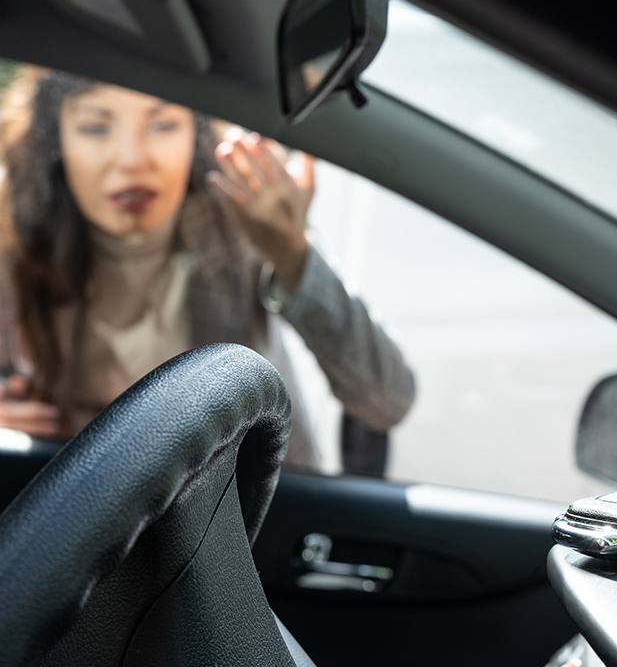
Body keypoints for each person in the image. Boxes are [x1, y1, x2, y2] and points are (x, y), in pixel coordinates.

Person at [0, 66, 415, 469]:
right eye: (95, 127)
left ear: (194, 131)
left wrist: (292, 252)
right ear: (55, 137)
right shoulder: (13, 238)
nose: (131, 159)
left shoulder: (241, 215)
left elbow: (386, 399)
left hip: (241, 523)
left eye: (162, 125)